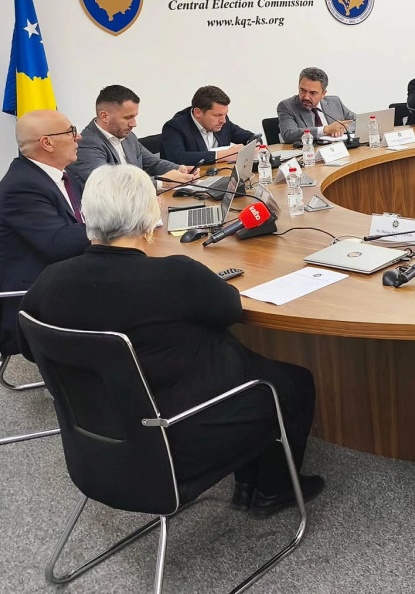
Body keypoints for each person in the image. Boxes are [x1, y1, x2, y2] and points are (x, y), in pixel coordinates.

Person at [19, 164, 323, 517]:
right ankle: (273, 490)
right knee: (292, 383)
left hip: (99, 442)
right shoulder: (174, 274)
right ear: (151, 218)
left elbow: (30, 349)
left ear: (86, 216)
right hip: (178, 437)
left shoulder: (49, 281)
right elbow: (230, 310)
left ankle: (245, 485)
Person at [0, 110, 91, 354]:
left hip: (62, 275)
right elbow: (60, 244)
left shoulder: (63, 175)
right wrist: (118, 225)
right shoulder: (21, 188)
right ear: (47, 142)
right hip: (39, 299)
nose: (79, 137)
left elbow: (83, 219)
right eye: (71, 131)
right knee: (135, 297)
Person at [71, 84, 199, 186]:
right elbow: (112, 186)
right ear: (104, 116)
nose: (134, 124)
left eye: (134, 116)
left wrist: (180, 170)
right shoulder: (87, 144)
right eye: (128, 117)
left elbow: (152, 163)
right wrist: (163, 182)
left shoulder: (127, 135)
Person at [161, 85, 256, 165]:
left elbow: (251, 137)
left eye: (225, 114)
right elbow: (177, 158)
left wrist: (255, 146)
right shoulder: (175, 127)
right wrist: (225, 155)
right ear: (198, 112)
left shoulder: (222, 120)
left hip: (220, 174)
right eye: (217, 115)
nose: (223, 120)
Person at [276, 67, 357, 144]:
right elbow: (288, 134)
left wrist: (342, 129)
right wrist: (325, 130)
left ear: (323, 94)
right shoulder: (286, 106)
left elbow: (358, 121)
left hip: (338, 150)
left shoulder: (335, 102)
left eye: (313, 93)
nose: (306, 97)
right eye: (302, 90)